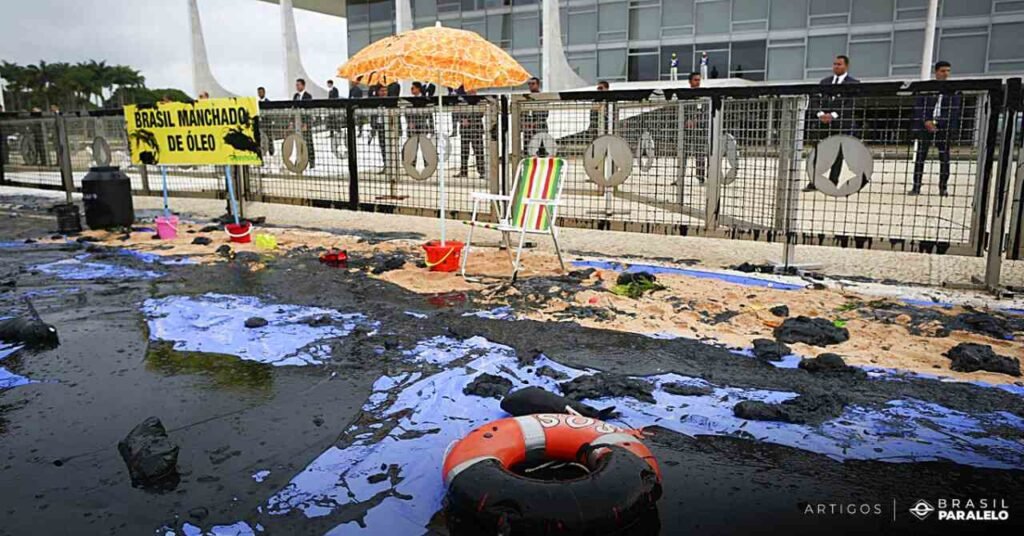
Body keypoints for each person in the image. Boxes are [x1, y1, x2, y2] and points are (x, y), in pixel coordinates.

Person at [804, 55, 860, 191]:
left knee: (837, 155)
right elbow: (815, 100)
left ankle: (832, 182)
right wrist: (820, 114)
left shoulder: (854, 83)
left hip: (840, 124)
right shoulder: (824, 82)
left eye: (839, 64)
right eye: (834, 64)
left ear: (846, 66)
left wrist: (833, 115)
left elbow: (851, 104)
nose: (836, 66)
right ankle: (815, 182)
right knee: (818, 153)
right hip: (823, 124)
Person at [910, 61, 961, 197]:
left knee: (944, 157)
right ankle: (916, 186)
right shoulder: (927, 88)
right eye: (943, 71)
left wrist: (939, 123)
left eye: (948, 71)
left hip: (944, 128)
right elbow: (919, 107)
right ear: (936, 72)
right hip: (925, 127)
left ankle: (943, 187)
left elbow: (954, 111)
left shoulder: (953, 90)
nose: (946, 74)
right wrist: (927, 121)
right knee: (921, 156)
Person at [454, 88, 486, 179]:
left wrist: (469, 120)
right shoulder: (461, 100)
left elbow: (481, 112)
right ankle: (463, 171)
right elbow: (456, 111)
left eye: (473, 89)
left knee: (479, 151)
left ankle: (482, 171)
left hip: (476, 129)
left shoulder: (480, 99)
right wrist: (462, 120)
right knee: (464, 151)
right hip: (465, 130)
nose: (471, 91)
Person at [522, 77, 548, 153]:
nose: (530, 86)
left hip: (540, 126)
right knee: (528, 148)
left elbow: (545, 114)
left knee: (541, 148)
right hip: (528, 127)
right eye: (529, 84)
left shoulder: (542, 97)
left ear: (538, 85)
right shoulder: (525, 97)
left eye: (533, 84)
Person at [293, 79, 315, 168]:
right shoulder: (295, 96)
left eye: (298, 85)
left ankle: (311, 161)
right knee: (298, 141)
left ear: (303, 85)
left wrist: (305, 123)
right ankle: (299, 160)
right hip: (297, 122)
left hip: (305, 123)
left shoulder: (308, 96)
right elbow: (293, 108)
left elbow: (308, 111)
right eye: (296, 85)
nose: (297, 87)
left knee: (308, 141)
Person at [370, 84, 389, 169]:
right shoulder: (375, 102)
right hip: (380, 126)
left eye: (385, 90)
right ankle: (385, 164)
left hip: (389, 126)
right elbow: (373, 115)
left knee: (390, 146)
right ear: (378, 92)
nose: (384, 92)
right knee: (382, 146)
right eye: (382, 91)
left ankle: (391, 164)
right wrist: (373, 126)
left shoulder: (390, 101)